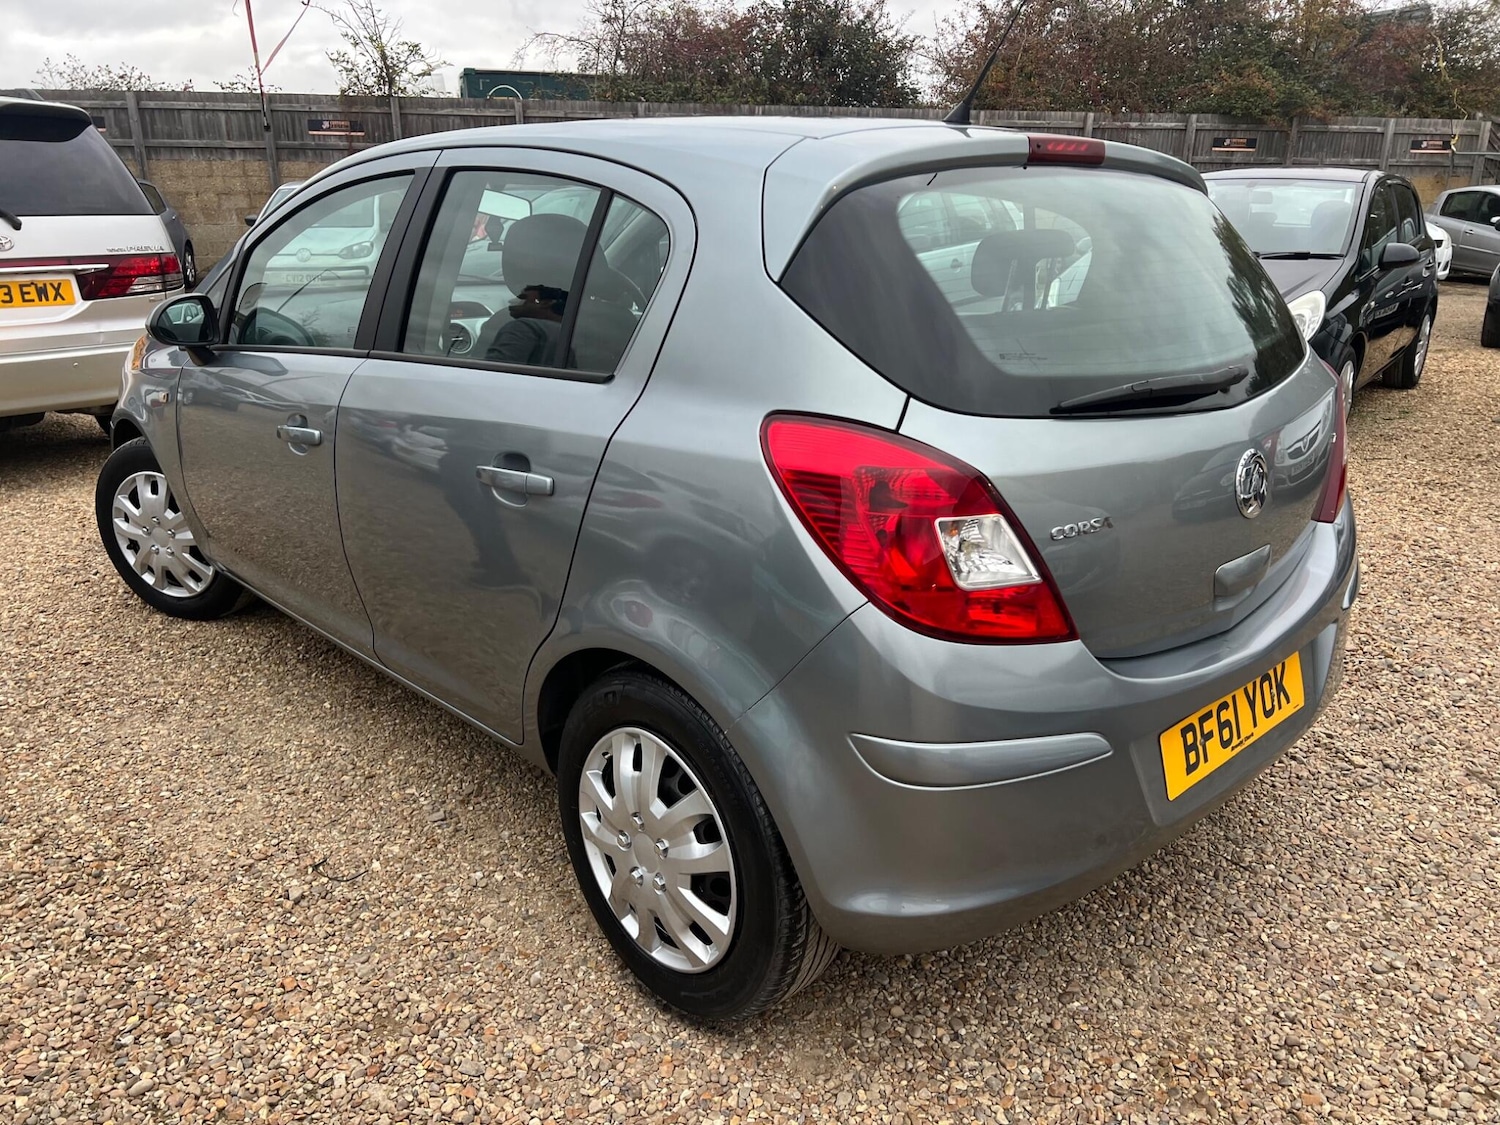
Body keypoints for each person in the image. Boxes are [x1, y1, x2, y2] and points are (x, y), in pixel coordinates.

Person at [483, 283, 568, 367]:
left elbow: (496, 369)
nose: (511, 301)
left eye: (522, 298)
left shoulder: (522, 327)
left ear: (545, 303)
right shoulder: (571, 332)